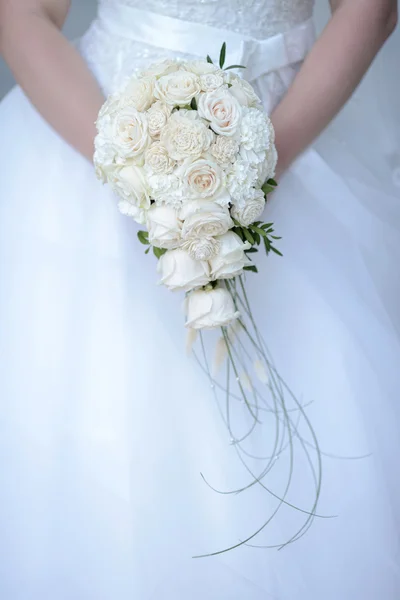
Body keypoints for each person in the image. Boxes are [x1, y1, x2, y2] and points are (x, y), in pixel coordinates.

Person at [0, 1, 399, 598]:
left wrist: (254, 169)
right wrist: (141, 177)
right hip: (97, 132)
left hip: (286, 131)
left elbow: (371, 8)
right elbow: (23, 16)